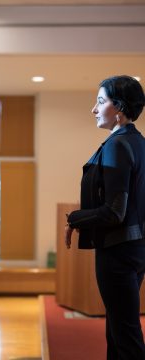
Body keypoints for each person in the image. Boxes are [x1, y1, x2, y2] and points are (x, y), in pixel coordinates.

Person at [65, 75, 145, 359]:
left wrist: (75, 218)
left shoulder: (117, 145)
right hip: (135, 251)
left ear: (119, 107)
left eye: (100, 101)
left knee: (124, 335)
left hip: (117, 252)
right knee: (119, 330)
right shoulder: (139, 143)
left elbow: (114, 211)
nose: (94, 109)